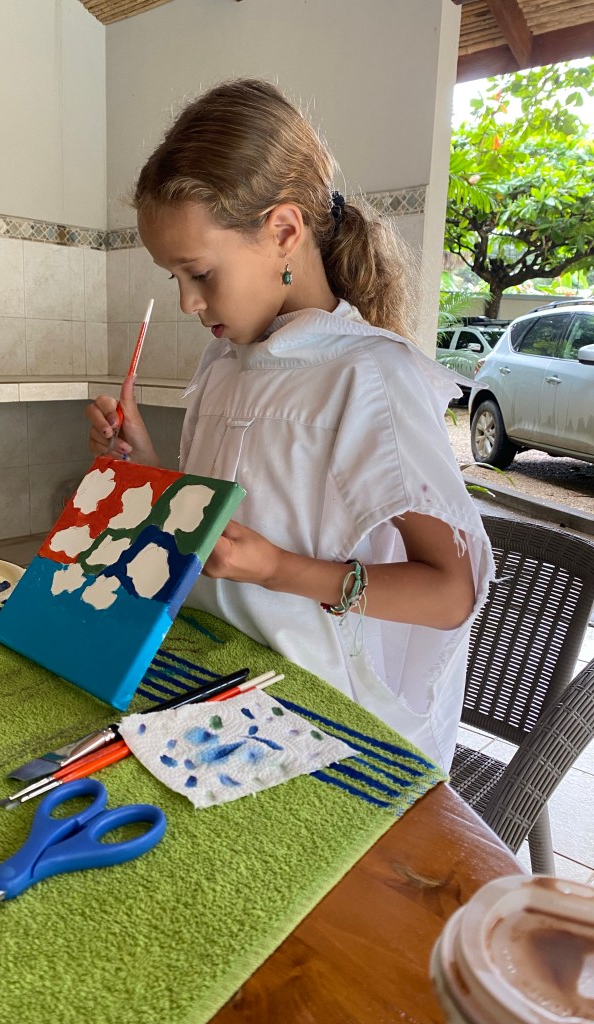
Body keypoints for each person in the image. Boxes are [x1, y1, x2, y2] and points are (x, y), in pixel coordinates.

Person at [86, 78, 493, 768]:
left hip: (317, 726)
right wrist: (144, 464)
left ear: (283, 232)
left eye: (199, 273)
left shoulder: (370, 377)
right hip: (207, 686)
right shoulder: (223, 363)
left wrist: (281, 570)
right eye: (173, 279)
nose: (187, 303)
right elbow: (219, 525)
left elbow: (450, 593)